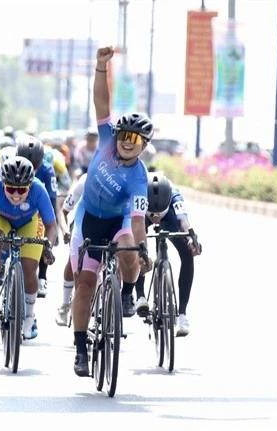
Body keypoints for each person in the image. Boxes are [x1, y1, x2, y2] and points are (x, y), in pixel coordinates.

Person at [70, 46, 153, 377]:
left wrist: (141, 247)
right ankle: (79, 348)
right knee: (86, 284)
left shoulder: (139, 176)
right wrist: (101, 67)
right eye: (125, 135)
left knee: (128, 248)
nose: (128, 141)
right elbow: (101, 104)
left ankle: (129, 293)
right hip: (88, 218)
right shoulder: (105, 137)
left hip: (117, 222)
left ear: (144, 145)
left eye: (136, 138)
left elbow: (136, 219)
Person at [0, 156, 58, 340]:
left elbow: (52, 226)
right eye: (11, 189)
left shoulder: (39, 190)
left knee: (29, 269)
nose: (16, 195)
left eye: (22, 190)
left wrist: (48, 246)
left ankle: (29, 317)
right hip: (1, 219)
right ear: (3, 185)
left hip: (29, 222)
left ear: (30, 186)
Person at [134, 172, 202, 337]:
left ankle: (182, 314)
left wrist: (192, 239)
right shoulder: (139, 194)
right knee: (137, 249)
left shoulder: (175, 196)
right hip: (143, 217)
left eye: (159, 213)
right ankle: (140, 295)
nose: (156, 217)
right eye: (154, 214)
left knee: (187, 253)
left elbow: (184, 222)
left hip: (170, 216)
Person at [16, 135, 58, 298]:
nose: (31, 168)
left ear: (40, 162)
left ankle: (42, 276)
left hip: (37, 208)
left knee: (42, 238)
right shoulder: (11, 166)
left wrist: (52, 225)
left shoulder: (47, 170)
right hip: (12, 206)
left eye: (34, 165)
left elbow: (52, 198)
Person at [55, 172, 87, 326]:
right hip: (83, 222)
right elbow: (63, 211)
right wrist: (65, 230)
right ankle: (65, 304)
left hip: (110, 221)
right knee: (73, 261)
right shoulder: (84, 183)